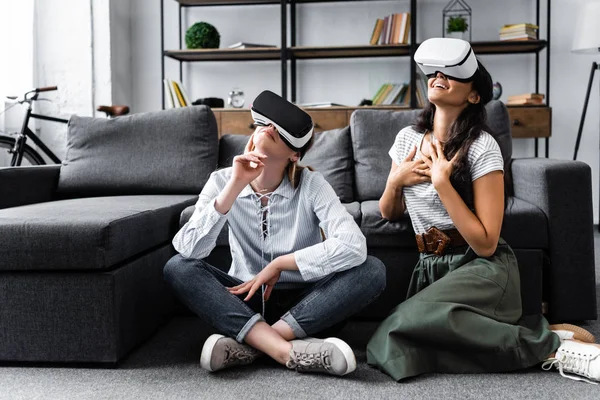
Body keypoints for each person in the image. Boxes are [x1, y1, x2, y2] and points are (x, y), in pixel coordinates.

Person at [366, 38, 600, 384]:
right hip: (430, 268)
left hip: (480, 268)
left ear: (473, 95)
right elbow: (389, 212)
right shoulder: (406, 140)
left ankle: (555, 348)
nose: (437, 76)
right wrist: (395, 181)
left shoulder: (481, 147)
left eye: (451, 74)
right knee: (391, 349)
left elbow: (487, 243)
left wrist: (443, 183)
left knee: (392, 333)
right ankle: (542, 335)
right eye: (433, 72)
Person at [164, 90, 386, 377]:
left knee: (372, 269)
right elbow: (188, 249)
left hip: (307, 304)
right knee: (177, 267)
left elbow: (354, 246)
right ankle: (285, 351)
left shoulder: (312, 185)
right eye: (264, 124)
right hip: (245, 299)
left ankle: (253, 344)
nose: (269, 128)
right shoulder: (221, 181)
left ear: (295, 154)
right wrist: (234, 186)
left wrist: (281, 264)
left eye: (279, 130)